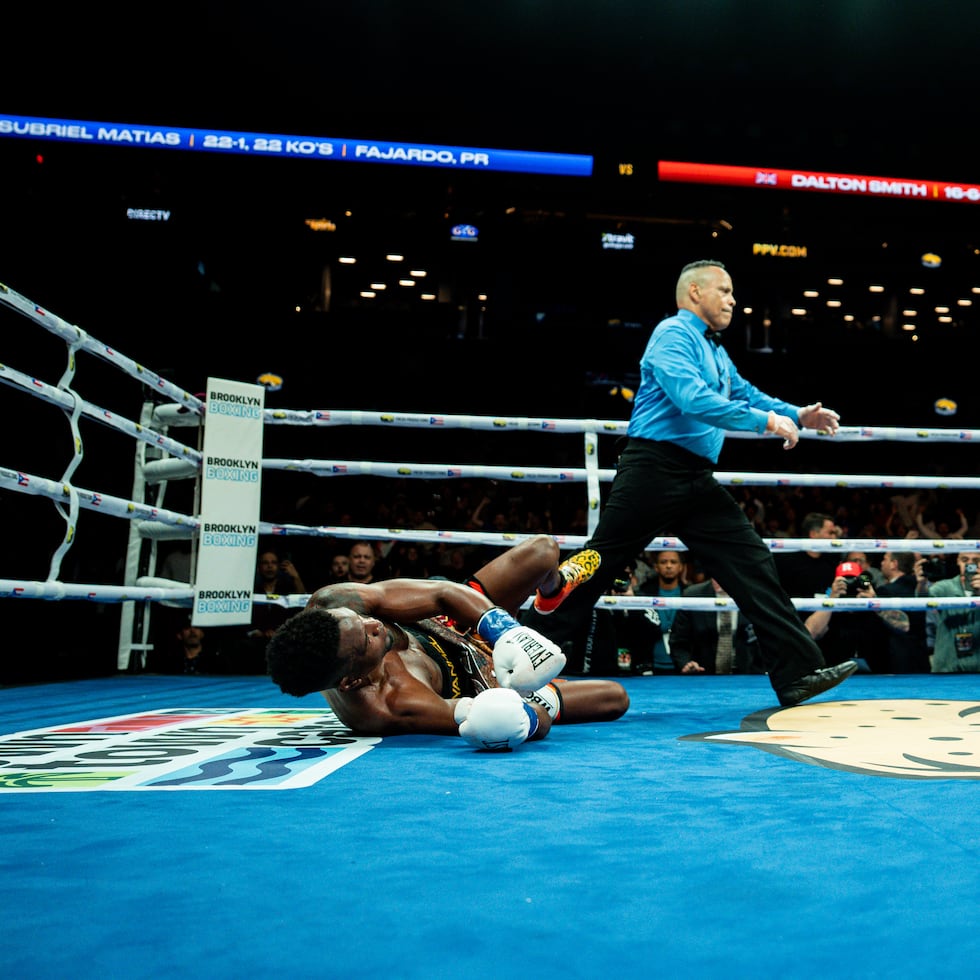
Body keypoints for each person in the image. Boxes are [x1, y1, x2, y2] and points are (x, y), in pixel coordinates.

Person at [520, 259, 856, 706]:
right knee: (598, 564)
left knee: (751, 560)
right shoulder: (673, 335)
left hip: (695, 477)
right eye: (725, 290)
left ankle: (797, 673)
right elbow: (693, 399)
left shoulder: (713, 348)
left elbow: (744, 393)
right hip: (653, 470)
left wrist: (797, 413)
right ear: (695, 292)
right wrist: (768, 422)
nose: (733, 300)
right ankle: (519, 661)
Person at [266, 536, 625, 749]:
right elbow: (501, 720)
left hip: (452, 620)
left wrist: (506, 632)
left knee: (544, 550)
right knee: (614, 698)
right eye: (367, 637)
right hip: (484, 679)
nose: (374, 623)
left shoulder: (336, 602)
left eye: (361, 619)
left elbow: (442, 592)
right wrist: (525, 712)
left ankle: (553, 590)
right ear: (351, 680)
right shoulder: (392, 705)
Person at [668, 579, 764, 675]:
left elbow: (767, 639)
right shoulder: (693, 596)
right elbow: (678, 641)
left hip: (748, 677)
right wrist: (686, 663)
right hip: (703, 677)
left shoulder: (753, 594)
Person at [915, 550, 980, 672]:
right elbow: (922, 601)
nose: (969, 565)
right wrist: (921, 583)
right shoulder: (945, 587)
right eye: (965, 560)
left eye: (976, 561)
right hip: (948, 664)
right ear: (958, 562)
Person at [877, 550, 929, 673]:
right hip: (920, 653)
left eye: (885, 559)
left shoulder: (886, 590)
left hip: (897, 656)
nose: (881, 563)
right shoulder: (918, 585)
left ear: (893, 564)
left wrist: (874, 602)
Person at [635, 550, 686, 674]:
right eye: (663, 562)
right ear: (656, 567)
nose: (668, 566)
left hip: (683, 666)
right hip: (650, 666)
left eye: (673, 562)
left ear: (680, 567)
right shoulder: (643, 594)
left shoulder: (690, 595)